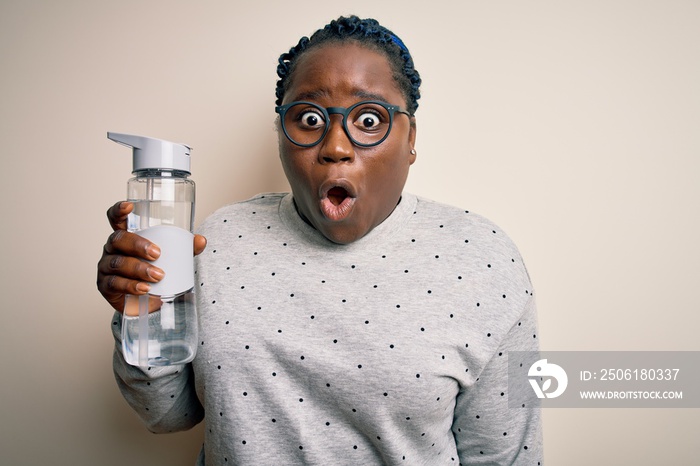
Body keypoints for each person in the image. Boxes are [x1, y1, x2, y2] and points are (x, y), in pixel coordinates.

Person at [97, 15, 542, 465]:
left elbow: (506, 456)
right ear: (281, 137)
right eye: (309, 118)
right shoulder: (216, 242)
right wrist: (139, 310)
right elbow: (165, 414)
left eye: (370, 119)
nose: (336, 146)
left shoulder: (484, 261)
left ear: (411, 139)